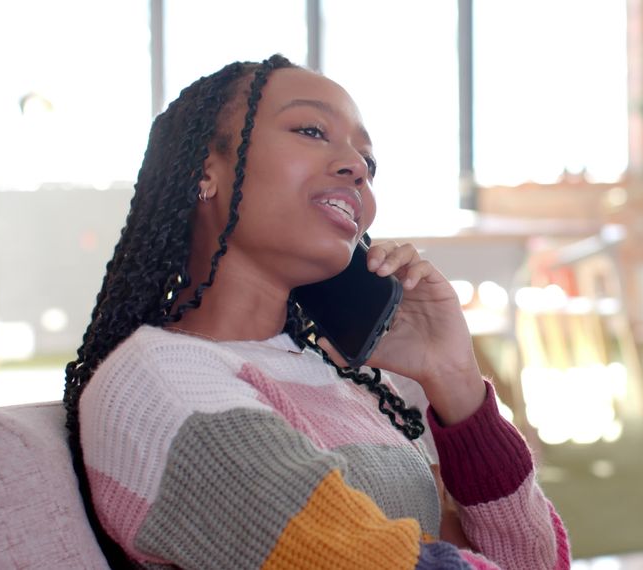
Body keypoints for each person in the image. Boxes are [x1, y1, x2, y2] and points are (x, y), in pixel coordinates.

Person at [63, 54, 569, 569]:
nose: (357, 169)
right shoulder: (156, 381)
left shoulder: (355, 382)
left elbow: (534, 562)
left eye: (368, 163)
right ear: (203, 170)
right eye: (311, 130)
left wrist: (455, 377)